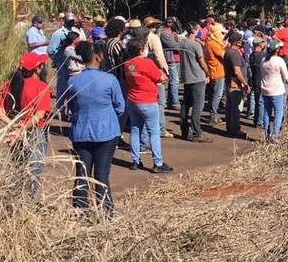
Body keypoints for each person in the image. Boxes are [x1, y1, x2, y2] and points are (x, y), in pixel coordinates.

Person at [67, 41, 125, 217]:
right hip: (106, 131)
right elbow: (120, 106)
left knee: (82, 175)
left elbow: (70, 107)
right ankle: (105, 213)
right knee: (102, 175)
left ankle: (80, 212)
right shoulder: (110, 79)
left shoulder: (74, 80)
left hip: (81, 131)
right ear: (98, 56)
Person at [0, 52, 51, 199]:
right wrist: (23, 127)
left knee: (19, 169)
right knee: (33, 170)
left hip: (13, 132)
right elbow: (39, 115)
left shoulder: (8, 85)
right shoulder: (42, 87)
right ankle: (26, 205)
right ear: (38, 69)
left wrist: (14, 125)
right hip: (35, 132)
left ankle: (14, 200)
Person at [124, 33, 173, 173]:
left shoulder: (128, 64)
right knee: (154, 131)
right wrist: (161, 76)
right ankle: (157, 162)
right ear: (141, 50)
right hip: (147, 100)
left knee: (135, 129)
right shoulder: (146, 63)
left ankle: (135, 160)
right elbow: (160, 78)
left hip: (132, 100)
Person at [179, 23, 212, 143]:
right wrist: (208, 73)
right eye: (198, 29)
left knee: (186, 104)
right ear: (193, 31)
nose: (199, 31)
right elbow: (202, 62)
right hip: (197, 77)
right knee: (198, 105)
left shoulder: (182, 43)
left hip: (187, 77)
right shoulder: (195, 45)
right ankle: (196, 131)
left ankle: (184, 129)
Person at [260, 39, 288, 144]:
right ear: (277, 50)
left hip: (265, 89)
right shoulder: (279, 61)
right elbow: (286, 77)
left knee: (267, 112)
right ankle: (274, 135)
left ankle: (266, 134)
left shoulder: (263, 60)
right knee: (278, 113)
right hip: (276, 90)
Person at [223, 30, 250, 137]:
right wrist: (244, 83)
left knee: (231, 106)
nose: (242, 43)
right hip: (235, 84)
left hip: (232, 83)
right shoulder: (233, 53)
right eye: (240, 42)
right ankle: (234, 128)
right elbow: (237, 71)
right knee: (235, 108)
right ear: (236, 43)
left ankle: (231, 127)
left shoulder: (230, 52)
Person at [204, 23, 226, 125]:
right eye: (221, 33)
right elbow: (223, 55)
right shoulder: (214, 44)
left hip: (214, 71)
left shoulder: (209, 43)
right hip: (217, 72)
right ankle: (213, 116)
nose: (222, 35)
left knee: (214, 94)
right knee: (217, 95)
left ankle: (213, 114)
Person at [26, 15, 49, 81]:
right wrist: (44, 43)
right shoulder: (32, 31)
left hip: (41, 57)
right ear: (34, 23)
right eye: (40, 22)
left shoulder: (40, 31)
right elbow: (32, 44)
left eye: (42, 22)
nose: (41, 23)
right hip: (36, 57)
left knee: (43, 73)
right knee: (38, 75)